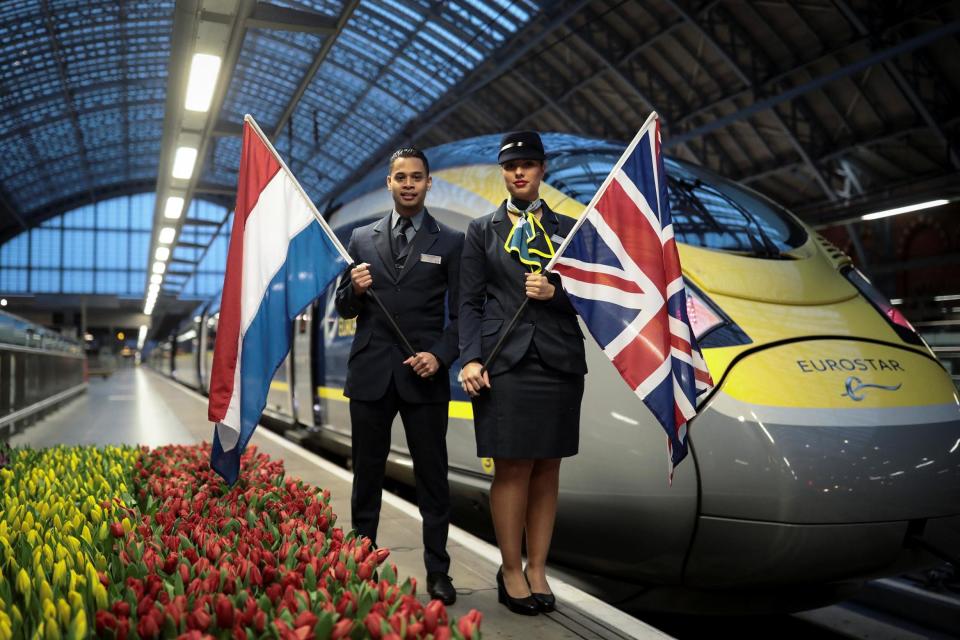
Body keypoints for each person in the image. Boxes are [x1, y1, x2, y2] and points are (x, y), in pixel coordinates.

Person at [458, 131, 587, 615]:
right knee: (512, 466)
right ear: (503, 172)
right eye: (512, 165)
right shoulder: (481, 230)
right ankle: (510, 569)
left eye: (528, 164)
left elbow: (596, 301)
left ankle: (538, 567)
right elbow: (468, 302)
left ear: (542, 170)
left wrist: (557, 295)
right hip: (503, 361)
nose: (519, 172)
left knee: (548, 465)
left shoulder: (571, 230)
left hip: (558, 359)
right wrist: (470, 358)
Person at [335, 147, 462, 605]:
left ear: (429, 183)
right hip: (371, 374)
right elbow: (343, 307)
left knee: (433, 478)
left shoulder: (451, 243)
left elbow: (464, 315)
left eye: (416, 177)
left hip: (424, 375)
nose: (408, 184)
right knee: (366, 475)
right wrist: (354, 288)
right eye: (400, 177)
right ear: (389, 184)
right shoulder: (359, 239)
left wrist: (440, 356)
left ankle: (438, 572)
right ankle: (362, 562)